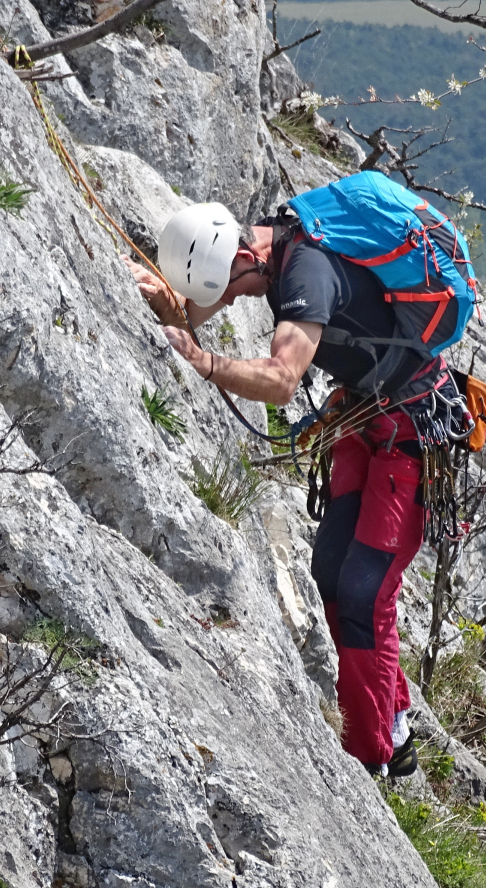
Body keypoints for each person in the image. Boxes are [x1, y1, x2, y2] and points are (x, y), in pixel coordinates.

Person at [125, 199, 455, 778]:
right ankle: (393, 721)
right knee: (331, 569)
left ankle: (373, 754)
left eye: (230, 288)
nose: (230, 300)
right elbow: (203, 306)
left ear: (247, 256)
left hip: (412, 430)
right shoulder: (273, 254)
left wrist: (204, 362)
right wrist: (165, 302)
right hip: (369, 415)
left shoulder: (304, 271)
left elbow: (280, 382)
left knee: (361, 589)